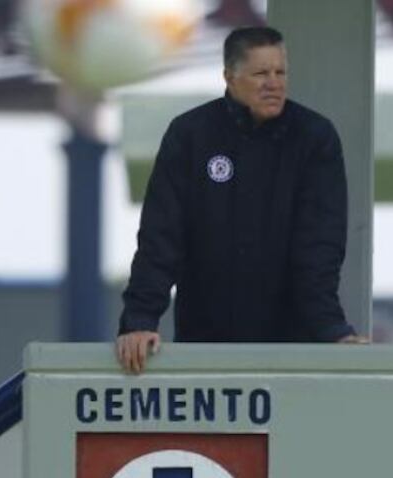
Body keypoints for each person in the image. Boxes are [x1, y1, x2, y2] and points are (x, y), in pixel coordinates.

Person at [116, 26, 367, 373]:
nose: (274, 83)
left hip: (292, 347)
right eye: (261, 73)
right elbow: (161, 238)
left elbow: (319, 249)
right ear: (229, 77)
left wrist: (331, 330)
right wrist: (139, 320)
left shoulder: (314, 137)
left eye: (280, 72)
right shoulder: (190, 135)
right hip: (205, 344)